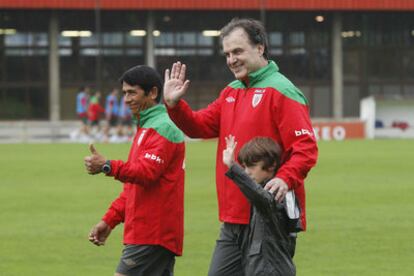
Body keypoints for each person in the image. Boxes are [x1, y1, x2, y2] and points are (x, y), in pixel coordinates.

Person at [163, 18, 318, 275]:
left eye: (238, 51)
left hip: (268, 217)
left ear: (260, 48)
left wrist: (285, 179)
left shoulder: (282, 90)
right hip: (233, 216)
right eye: (227, 54)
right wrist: (174, 105)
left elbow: (306, 148)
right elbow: (199, 127)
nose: (231, 59)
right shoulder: (231, 92)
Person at [84, 65, 185, 276]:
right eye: (124, 93)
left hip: (152, 234)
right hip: (148, 233)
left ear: (153, 93)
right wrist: (109, 220)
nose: (127, 99)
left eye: (132, 92)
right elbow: (133, 186)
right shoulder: (146, 128)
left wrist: (107, 165)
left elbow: (146, 173)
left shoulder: (162, 128)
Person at [222, 135, 297, 276]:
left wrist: (233, 167)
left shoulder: (277, 193)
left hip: (269, 270)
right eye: (244, 166)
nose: (247, 171)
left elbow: (263, 199)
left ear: (271, 166)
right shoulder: (285, 191)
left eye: (251, 166)